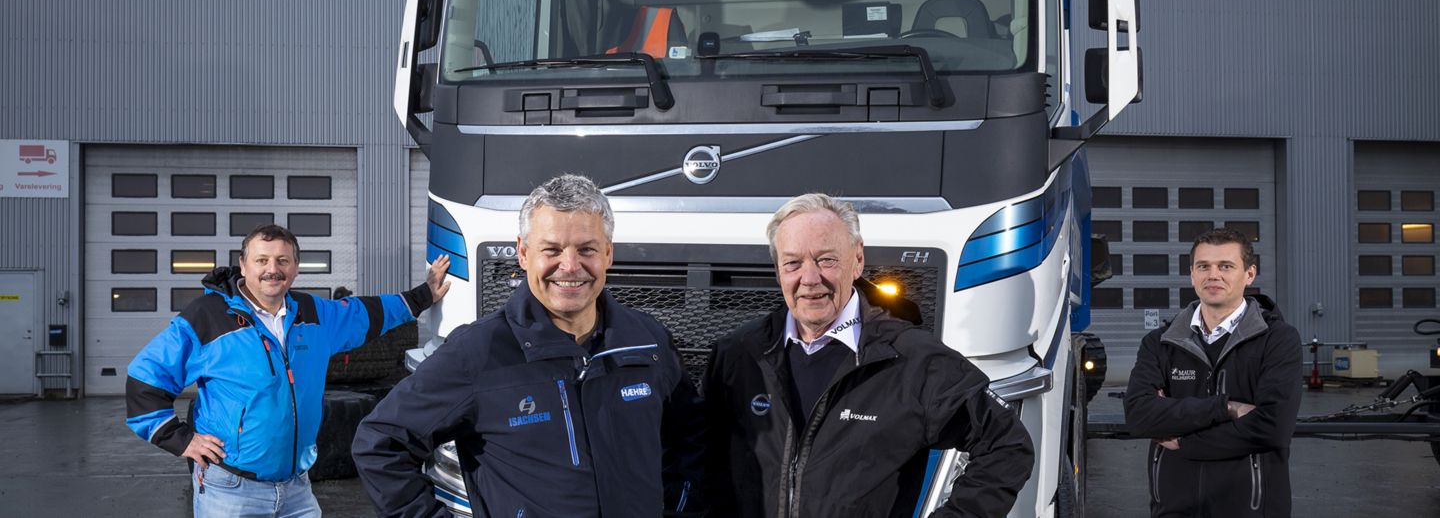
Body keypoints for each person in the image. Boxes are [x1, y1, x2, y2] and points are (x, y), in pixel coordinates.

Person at [352, 173, 704, 517]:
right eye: (552, 249)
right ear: (523, 253)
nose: (570, 266)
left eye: (587, 249)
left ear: (608, 253)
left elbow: (691, 439)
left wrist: (679, 508)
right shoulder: (478, 352)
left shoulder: (647, 342)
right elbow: (380, 442)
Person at [704, 192, 1034, 517]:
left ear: (857, 260)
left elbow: (1007, 444)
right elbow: (702, 464)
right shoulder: (739, 355)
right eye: (793, 263)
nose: (810, 278)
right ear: (778, 271)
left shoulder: (912, 360)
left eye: (826, 260)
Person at [125, 223, 451, 518]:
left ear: (295, 267)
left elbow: (367, 312)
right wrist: (180, 439)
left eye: (283, 260)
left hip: (296, 489)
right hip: (230, 491)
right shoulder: (208, 317)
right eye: (262, 260)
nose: (273, 269)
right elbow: (145, 378)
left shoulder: (312, 313)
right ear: (243, 265)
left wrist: (425, 294)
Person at [1123, 227, 1302, 517]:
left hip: (1252, 509)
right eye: (1203, 266)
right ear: (1192, 275)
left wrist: (1184, 442)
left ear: (1249, 274)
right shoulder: (1160, 342)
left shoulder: (1278, 340)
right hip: (1174, 509)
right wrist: (1226, 408)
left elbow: (1273, 428)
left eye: (1226, 266)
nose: (1213, 275)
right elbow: (1139, 415)